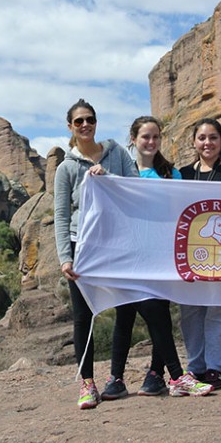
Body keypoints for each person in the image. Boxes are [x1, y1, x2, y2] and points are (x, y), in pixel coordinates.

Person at [107, 116, 212, 399]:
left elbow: (179, 212)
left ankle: (156, 375)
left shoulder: (170, 174)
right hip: (127, 253)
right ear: (133, 138)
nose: (151, 142)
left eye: (155, 137)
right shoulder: (118, 172)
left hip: (159, 253)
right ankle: (117, 378)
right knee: (125, 315)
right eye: (145, 137)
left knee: (158, 310)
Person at [53, 99, 138, 409]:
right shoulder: (66, 168)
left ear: (96, 122)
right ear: (70, 127)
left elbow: (137, 189)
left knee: (126, 308)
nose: (85, 125)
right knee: (83, 315)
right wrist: (65, 256)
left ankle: (116, 377)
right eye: (79, 121)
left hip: (117, 243)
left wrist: (110, 180)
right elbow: (61, 215)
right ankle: (87, 384)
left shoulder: (116, 154)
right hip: (83, 246)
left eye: (89, 119)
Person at [179, 118, 221, 389]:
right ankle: (195, 366)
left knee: (219, 308)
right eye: (202, 138)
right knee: (191, 309)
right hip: (191, 252)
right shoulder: (181, 175)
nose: (208, 143)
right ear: (194, 142)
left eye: (213, 137)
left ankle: (216, 367)